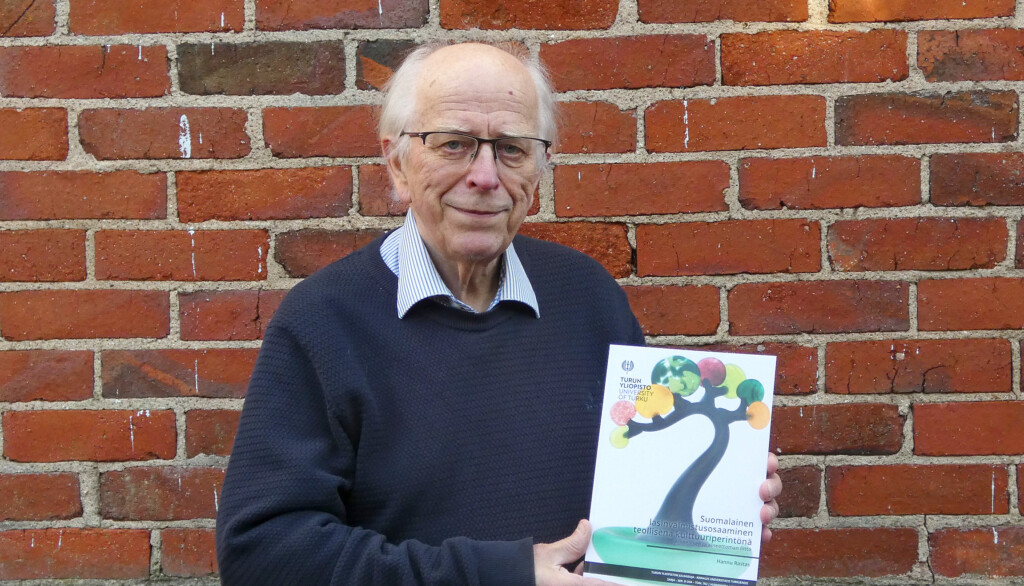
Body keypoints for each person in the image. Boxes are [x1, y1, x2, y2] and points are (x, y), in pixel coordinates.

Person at [215, 41, 782, 585]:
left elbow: (638, 488)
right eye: (453, 144)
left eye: (511, 148)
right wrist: (497, 574)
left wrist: (721, 504)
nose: (485, 176)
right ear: (397, 163)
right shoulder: (324, 322)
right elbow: (261, 555)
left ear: (540, 169)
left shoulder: (588, 298)